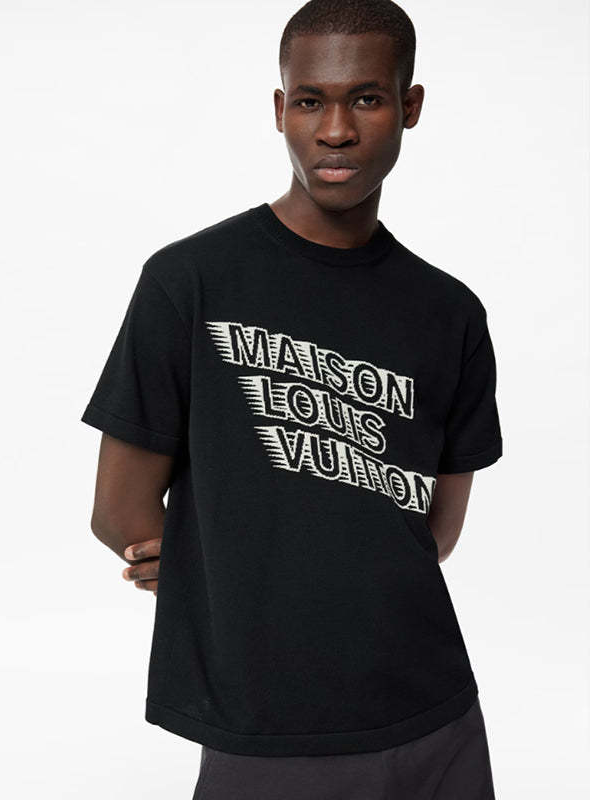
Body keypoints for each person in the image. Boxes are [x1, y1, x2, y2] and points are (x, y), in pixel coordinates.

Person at [80, 0, 502, 796]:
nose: (335, 130)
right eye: (310, 101)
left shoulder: (449, 313)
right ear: (281, 110)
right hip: (265, 724)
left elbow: (433, 529)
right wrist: (226, 574)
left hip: (435, 714)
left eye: (367, 99)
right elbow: (119, 512)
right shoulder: (189, 282)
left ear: (410, 106)